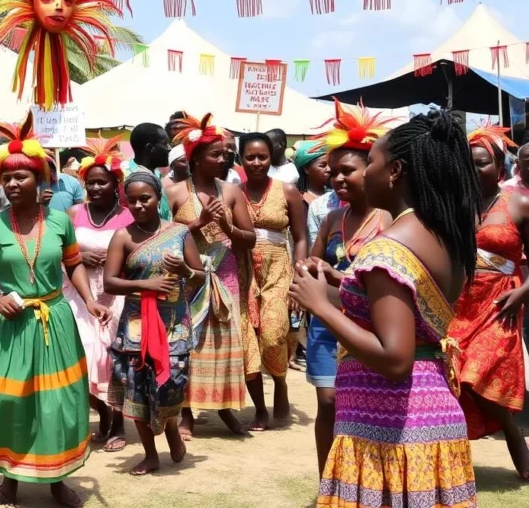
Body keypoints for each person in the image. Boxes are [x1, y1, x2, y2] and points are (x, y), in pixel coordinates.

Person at [291, 109, 479, 507]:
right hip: (430, 414)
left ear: (394, 171)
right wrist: (326, 288)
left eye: (371, 162)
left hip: (391, 423)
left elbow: (395, 359)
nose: (365, 172)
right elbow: (399, 315)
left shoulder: (388, 248)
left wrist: (320, 309)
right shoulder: (445, 236)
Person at [0, 116, 107, 508]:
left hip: (55, 319)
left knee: (56, 402)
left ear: (40, 180)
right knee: (6, 400)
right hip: (10, 324)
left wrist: (89, 301)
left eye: (22, 177)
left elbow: (74, 264)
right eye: (7, 179)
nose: (13, 185)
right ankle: (8, 476)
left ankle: (57, 479)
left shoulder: (61, 221)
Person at [303, 101, 393, 474]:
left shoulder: (387, 219)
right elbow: (310, 261)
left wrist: (341, 276)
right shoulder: (332, 218)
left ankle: (363, 477)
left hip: (368, 324)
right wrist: (312, 266)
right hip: (326, 321)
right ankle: (328, 479)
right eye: (333, 172)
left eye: (348, 172)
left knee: (361, 404)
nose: (338, 179)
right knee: (328, 403)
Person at [104, 171, 204, 475]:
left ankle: (172, 427)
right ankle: (149, 454)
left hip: (173, 323)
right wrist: (147, 285)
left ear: (158, 199)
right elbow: (110, 282)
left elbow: (200, 276)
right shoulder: (122, 236)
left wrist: (185, 269)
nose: (138, 205)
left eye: (145, 198)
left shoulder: (179, 232)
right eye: (131, 200)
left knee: (171, 383)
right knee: (135, 388)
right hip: (136, 326)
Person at [165, 112, 259, 437]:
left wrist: (226, 226)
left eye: (224, 153)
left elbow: (250, 239)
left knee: (223, 341)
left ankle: (226, 407)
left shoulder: (231, 192)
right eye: (215, 154)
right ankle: (187, 414)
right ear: (195, 158)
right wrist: (199, 222)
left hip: (225, 274)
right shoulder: (175, 193)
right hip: (188, 276)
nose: (223, 158)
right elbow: (164, 238)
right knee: (189, 341)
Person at [449, 124, 529, 478]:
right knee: (453, 379)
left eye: (481, 163)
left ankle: (514, 435)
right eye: (468, 164)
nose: (474, 170)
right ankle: (453, 459)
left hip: (501, 304)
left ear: (499, 167)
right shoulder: (454, 206)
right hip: (459, 304)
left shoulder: (520, 204)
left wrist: (523, 291)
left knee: (475, 374)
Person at [62, 136, 134, 453]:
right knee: (82, 355)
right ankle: (102, 412)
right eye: (90, 183)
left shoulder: (129, 216)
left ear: (115, 183)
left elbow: (139, 251)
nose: (95, 189)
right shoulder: (73, 213)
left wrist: (116, 261)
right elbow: (60, 253)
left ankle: (118, 422)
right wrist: (78, 258)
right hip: (79, 294)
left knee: (112, 358)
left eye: (102, 183)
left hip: (115, 296)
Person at [238, 132, 308, 430]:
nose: (256, 162)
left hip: (278, 267)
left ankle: (280, 382)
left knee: (273, 332)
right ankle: (259, 408)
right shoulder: (233, 192)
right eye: (250, 157)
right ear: (240, 159)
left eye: (262, 157)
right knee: (247, 340)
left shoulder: (288, 191)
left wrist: (299, 272)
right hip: (243, 269)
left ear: (272, 158)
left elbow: (301, 236)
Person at [127, 122, 172, 219]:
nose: (169, 148)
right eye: (165, 144)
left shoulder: (157, 175)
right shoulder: (124, 176)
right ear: (150, 148)